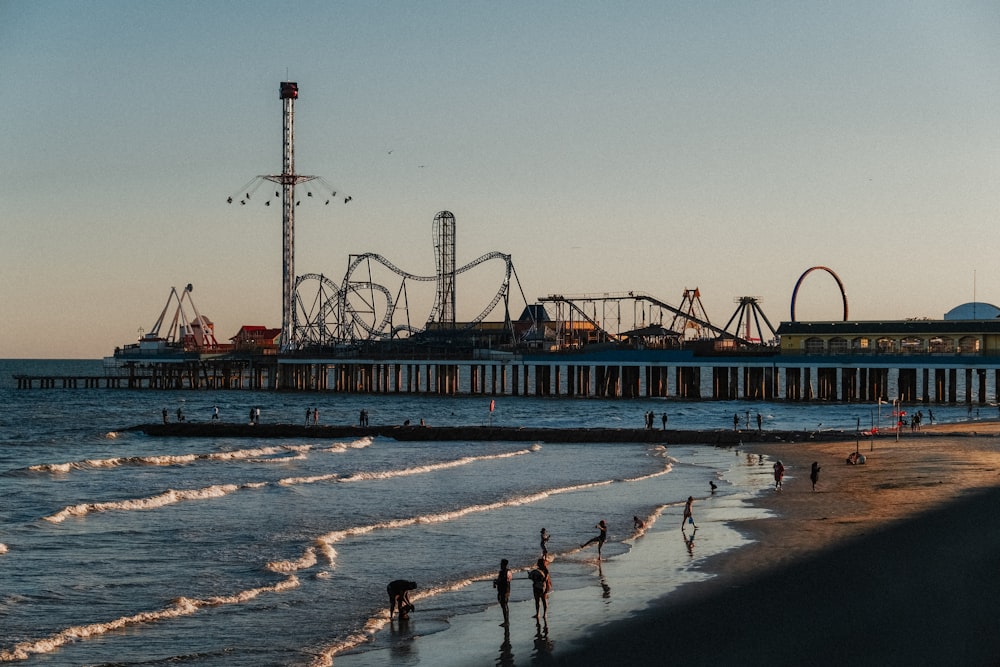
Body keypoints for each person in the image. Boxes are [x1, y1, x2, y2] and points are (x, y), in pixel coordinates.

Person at [493, 558, 513, 627]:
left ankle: (506, 621)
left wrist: (496, 582)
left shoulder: (502, 572)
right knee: (506, 605)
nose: (500, 565)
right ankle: (507, 621)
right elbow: (508, 580)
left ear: (503, 564)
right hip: (507, 590)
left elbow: (501, 581)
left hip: (502, 590)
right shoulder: (509, 571)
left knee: (503, 606)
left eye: (501, 564)